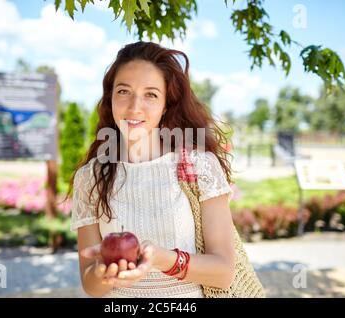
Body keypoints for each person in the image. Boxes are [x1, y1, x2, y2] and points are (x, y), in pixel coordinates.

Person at [69, 41, 236, 298]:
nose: (135, 107)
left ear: (166, 104)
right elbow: (90, 285)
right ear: (110, 97)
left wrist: (161, 259)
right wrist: (103, 272)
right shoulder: (90, 178)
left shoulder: (197, 165)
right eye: (124, 91)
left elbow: (224, 272)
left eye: (151, 94)